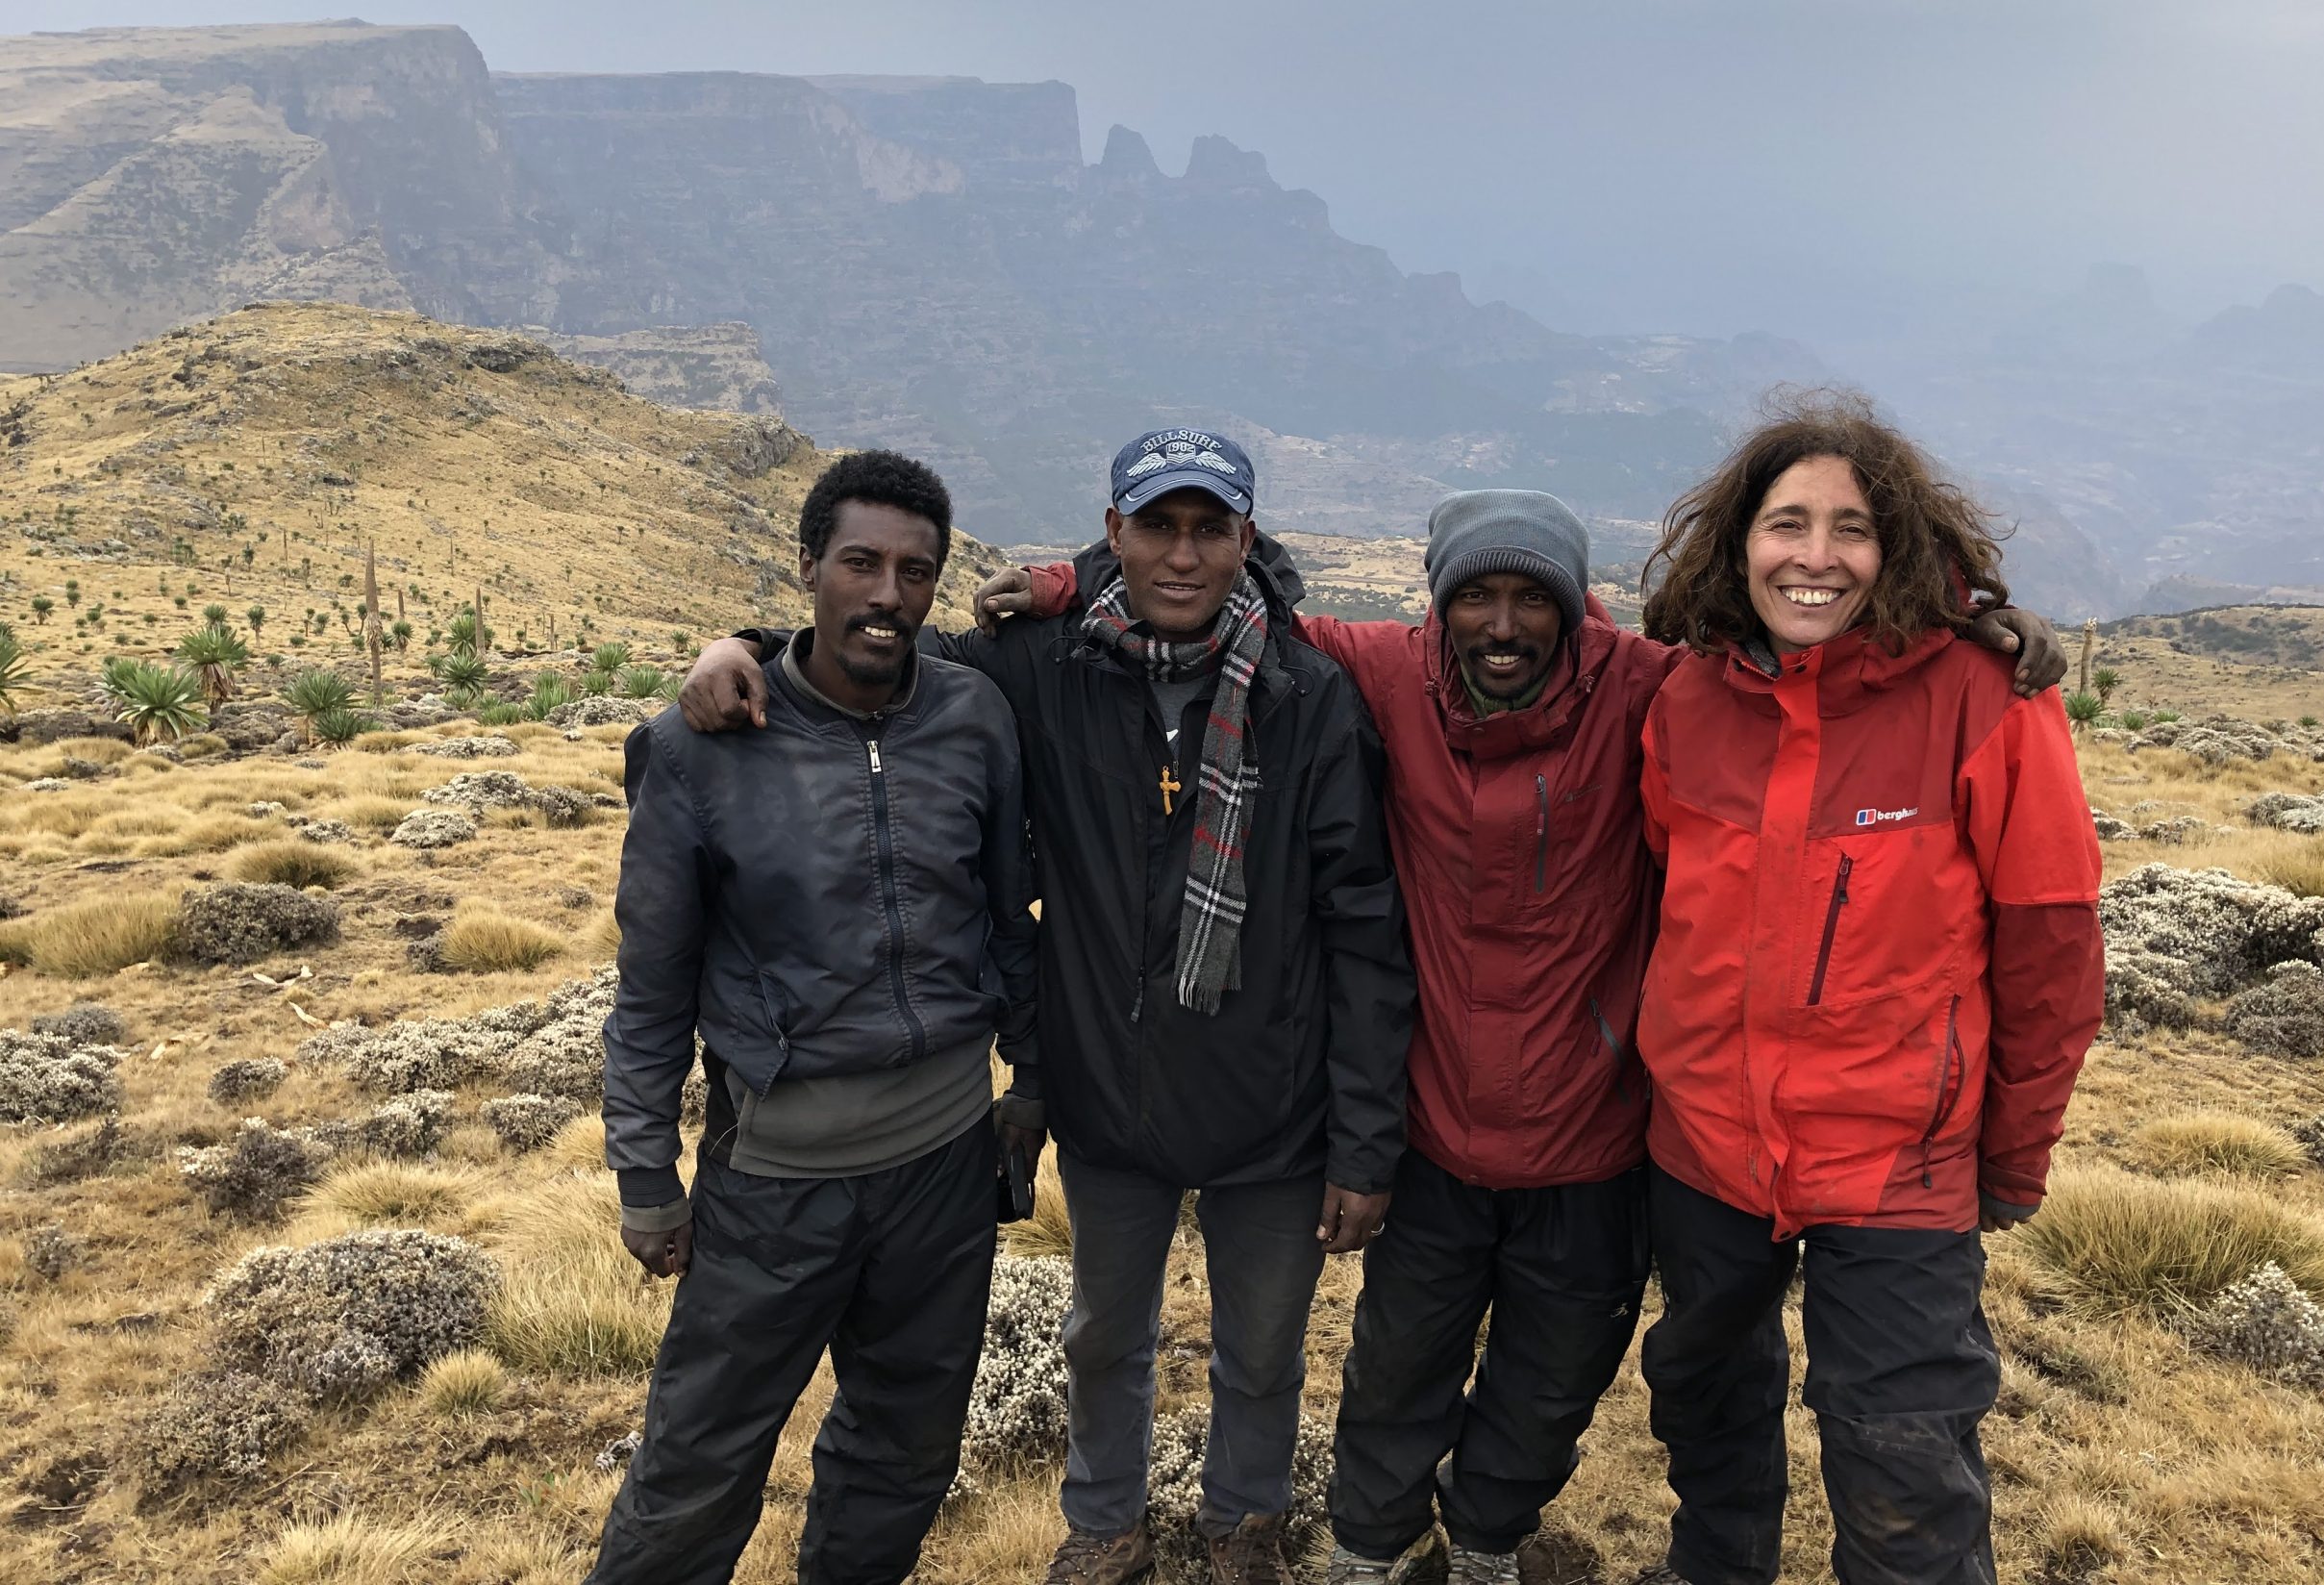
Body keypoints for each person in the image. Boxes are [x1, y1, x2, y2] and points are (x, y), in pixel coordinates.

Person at [977, 486, 2066, 1585]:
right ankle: (1367, 1546)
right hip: (1437, 1120)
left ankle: (1490, 1540)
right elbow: (1218, 592)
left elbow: (1783, 662)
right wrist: (1075, 580)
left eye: (1530, 599)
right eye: (1476, 597)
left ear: (1576, 610)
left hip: (1592, 1128)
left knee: (1554, 1376)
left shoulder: (1649, 687)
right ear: (1437, 606)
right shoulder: (1387, 673)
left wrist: (1959, 617)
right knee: (1399, 1362)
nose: (1503, 624)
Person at [678, 427, 1416, 1585]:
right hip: (1107, 1098)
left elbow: (1366, 931)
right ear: (1112, 534)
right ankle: (1103, 1526)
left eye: (1208, 529)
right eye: (1156, 526)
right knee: (1102, 1338)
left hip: (1275, 1110)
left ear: (1245, 540)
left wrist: (1366, 1139)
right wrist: (748, 645)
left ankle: (1241, 1526)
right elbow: (881, 648)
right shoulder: (1040, 665)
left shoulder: (1306, 695)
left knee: (1262, 1349)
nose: (1182, 555)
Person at [1629, 396, 2106, 1585]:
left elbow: (2051, 949)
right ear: (1738, 542)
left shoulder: (1986, 699)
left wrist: (2015, 1152)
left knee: (1901, 1459)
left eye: (1851, 527)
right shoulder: (1686, 701)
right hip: (1706, 1145)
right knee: (1704, 1403)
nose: (1816, 555)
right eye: (1787, 522)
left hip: (1900, 1154)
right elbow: (1660, 895)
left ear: (1894, 546)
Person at [587, 449, 1042, 1585]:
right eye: (860, 563)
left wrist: (1029, 1080)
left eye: (915, 571)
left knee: (904, 1453)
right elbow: (652, 987)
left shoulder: (972, 717)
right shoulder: (700, 747)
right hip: (775, 1186)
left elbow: (1006, 918)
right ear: (805, 569)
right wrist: (646, 1175)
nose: (886, 594)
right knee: (697, 1467)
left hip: (944, 1170)